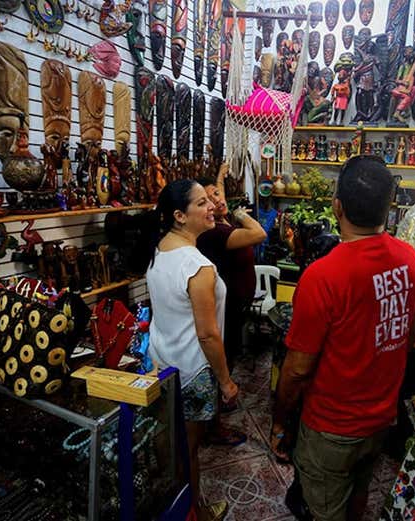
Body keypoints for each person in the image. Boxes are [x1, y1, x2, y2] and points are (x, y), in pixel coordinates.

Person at [271, 156, 415, 521]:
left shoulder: (323, 276)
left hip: (332, 426)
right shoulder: (414, 263)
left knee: (326, 507)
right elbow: (407, 337)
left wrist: (281, 420)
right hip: (381, 418)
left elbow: (296, 370)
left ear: (336, 205)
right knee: (359, 493)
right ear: (389, 207)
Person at [145, 179, 238, 521]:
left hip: (161, 361)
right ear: (180, 216)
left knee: (172, 447)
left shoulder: (159, 251)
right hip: (193, 371)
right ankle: (193, 513)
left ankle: (180, 508)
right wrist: (226, 382)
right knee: (189, 452)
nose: (211, 206)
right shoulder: (197, 267)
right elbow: (208, 335)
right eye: (201, 203)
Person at [197, 165, 266, 446]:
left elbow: (219, 196)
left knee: (231, 357)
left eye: (217, 194)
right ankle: (214, 423)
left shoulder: (222, 223)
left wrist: (220, 179)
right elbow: (260, 233)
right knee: (222, 362)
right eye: (209, 199)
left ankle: (220, 404)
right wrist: (238, 213)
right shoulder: (217, 232)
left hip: (237, 305)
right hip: (227, 308)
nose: (218, 199)